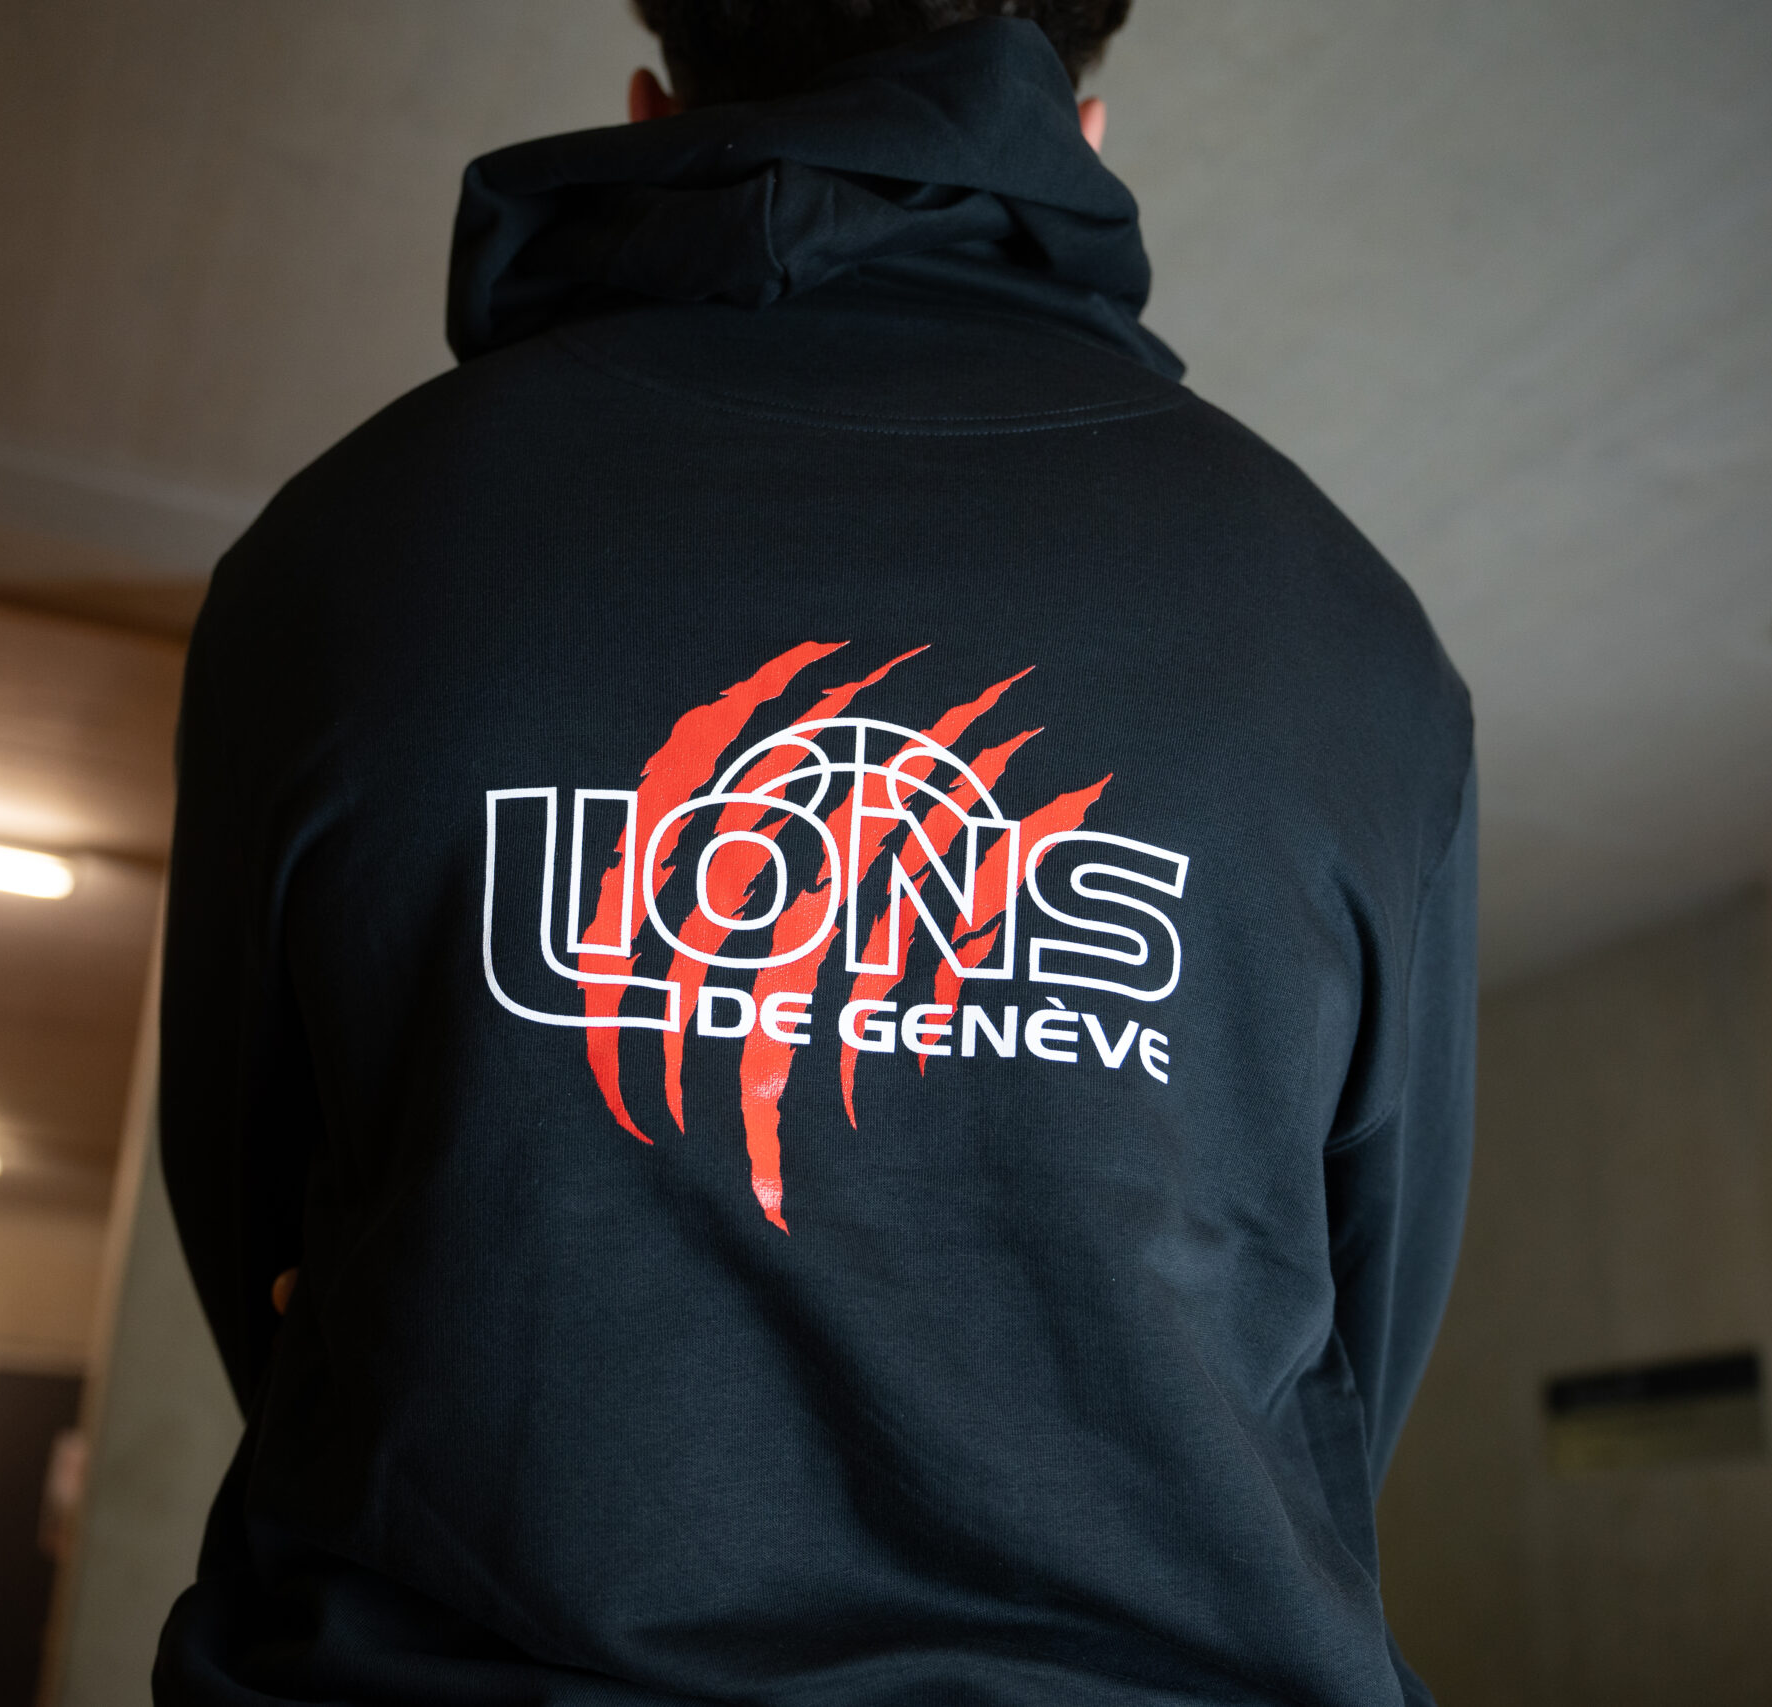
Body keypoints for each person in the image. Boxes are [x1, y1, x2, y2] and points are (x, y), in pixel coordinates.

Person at [156, 3, 1475, 1703]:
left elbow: (260, 1222)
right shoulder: (1347, 635)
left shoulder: (343, 556)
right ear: (1080, 137)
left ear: (653, 111)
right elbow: (1363, 1315)